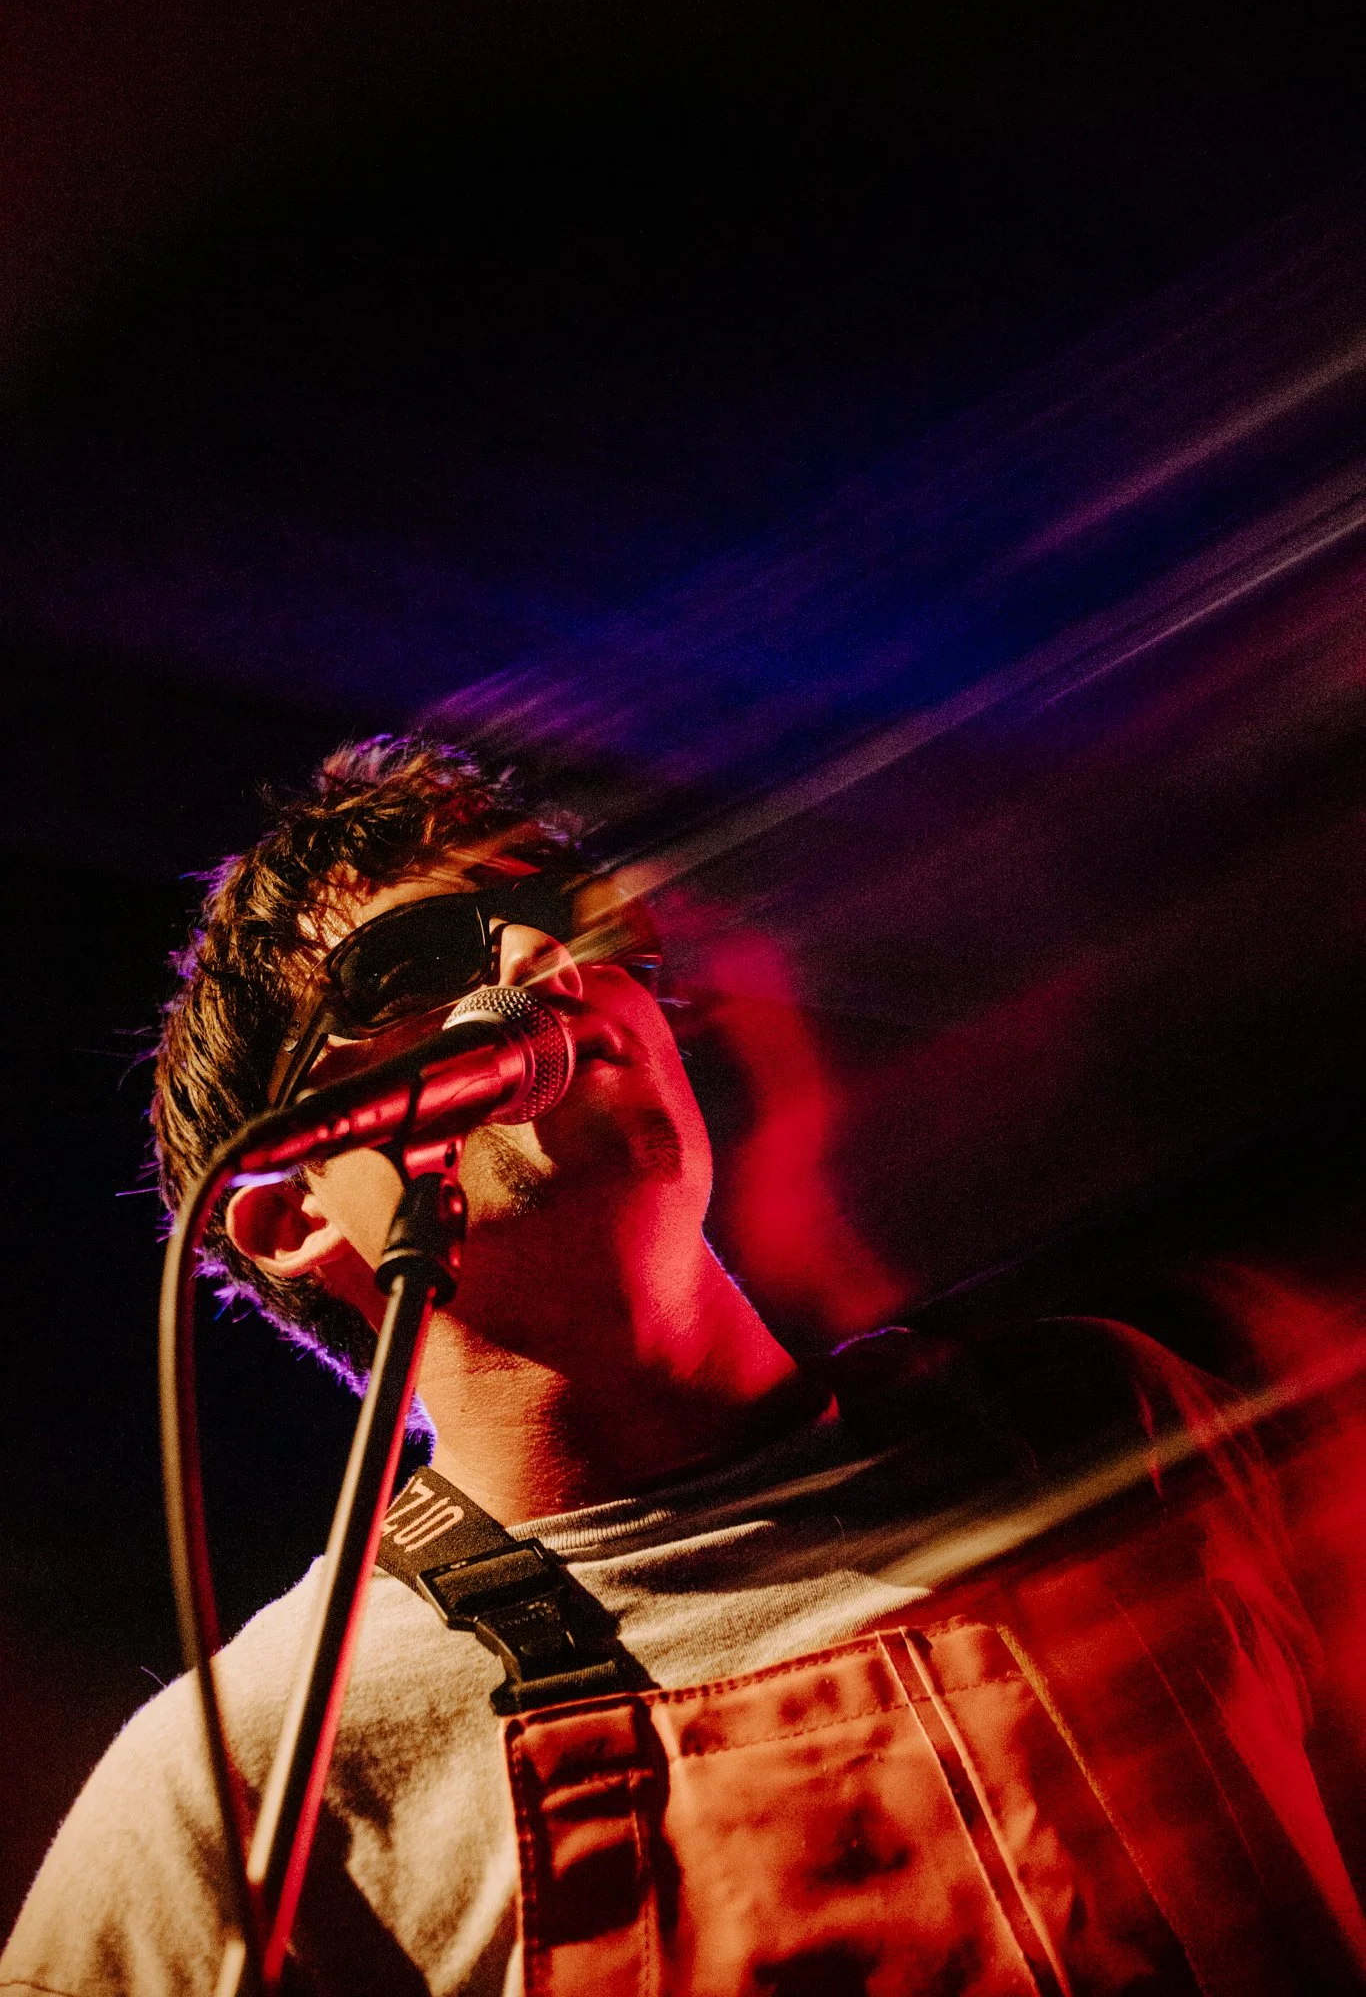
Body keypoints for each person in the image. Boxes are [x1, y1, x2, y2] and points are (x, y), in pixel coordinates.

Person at [4, 735, 1365, 1997]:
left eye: (569, 915)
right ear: (293, 1212)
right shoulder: (251, 1778)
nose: (542, 957)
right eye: (414, 964)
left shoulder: (1107, 1425)